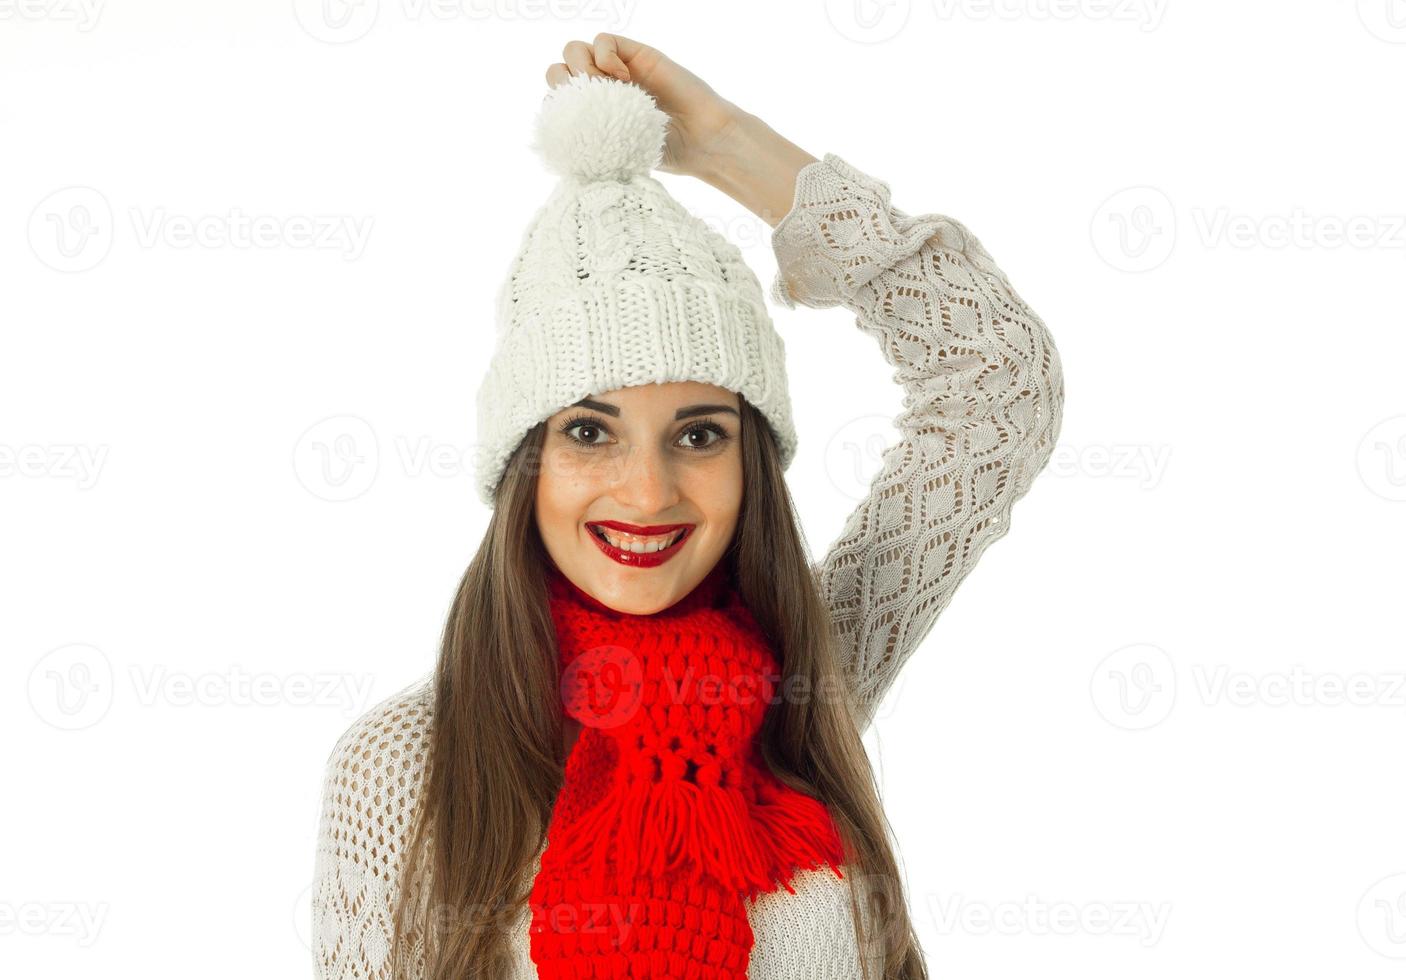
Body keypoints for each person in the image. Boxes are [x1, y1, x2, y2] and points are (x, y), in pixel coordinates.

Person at [312, 33, 1064, 980]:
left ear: (750, 461)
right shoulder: (403, 772)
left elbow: (997, 382)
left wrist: (728, 147)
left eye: (699, 434)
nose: (649, 490)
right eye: (590, 432)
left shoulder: (803, 685)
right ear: (524, 461)